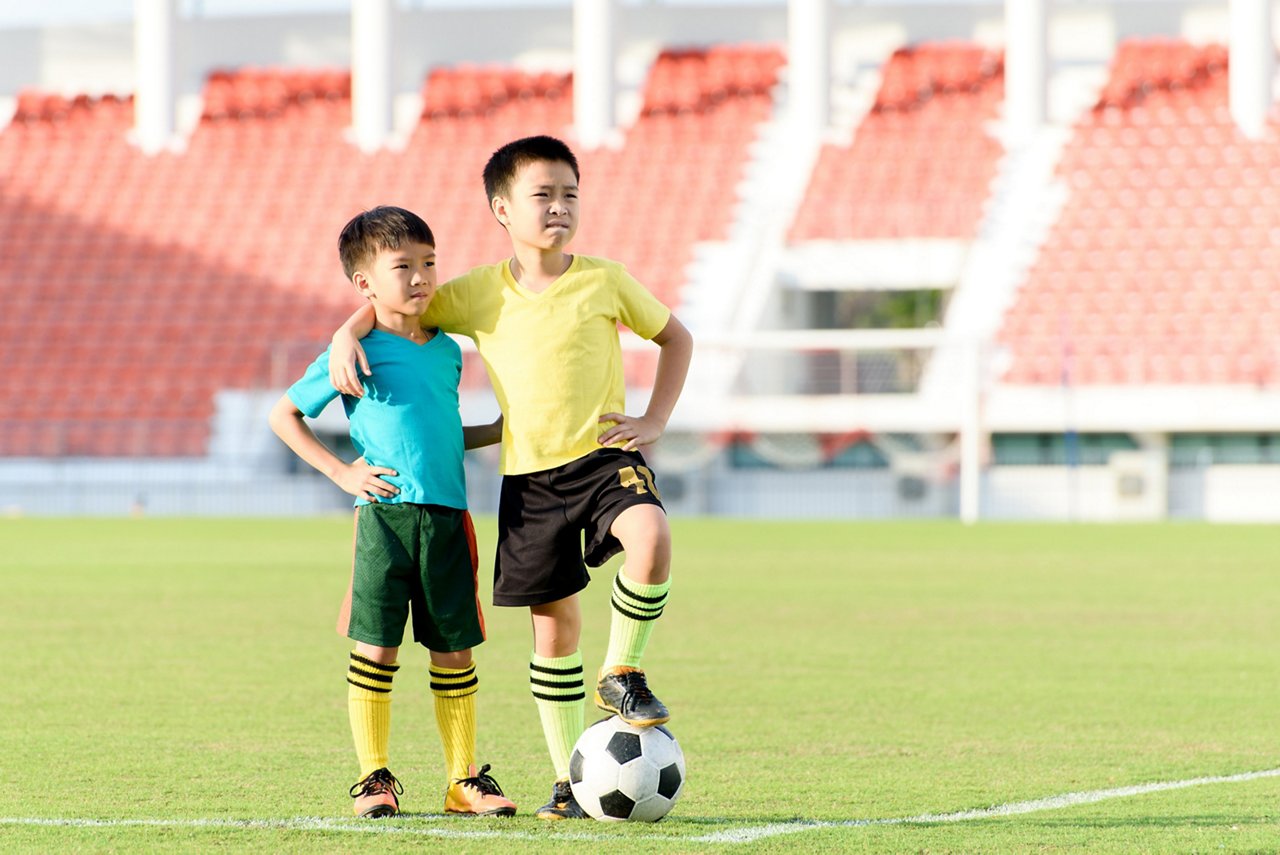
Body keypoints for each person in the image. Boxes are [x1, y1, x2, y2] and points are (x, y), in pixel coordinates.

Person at [327, 136, 694, 821]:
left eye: (570, 194)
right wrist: (347, 331)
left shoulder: (605, 279)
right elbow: (396, 307)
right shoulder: (473, 293)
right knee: (553, 627)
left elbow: (677, 337)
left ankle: (622, 670)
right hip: (528, 479)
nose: (559, 207)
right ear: (502, 209)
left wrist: (655, 418)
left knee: (651, 535)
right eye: (542, 195)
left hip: (604, 456)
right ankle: (570, 780)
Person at [269, 206, 517, 819]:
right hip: (383, 518)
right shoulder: (354, 349)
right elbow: (284, 416)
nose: (420, 277)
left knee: (455, 650)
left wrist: (502, 432)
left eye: (429, 263)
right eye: (401, 266)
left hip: (449, 518)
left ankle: (464, 781)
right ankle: (373, 778)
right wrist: (341, 472)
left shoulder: (449, 351)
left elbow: (440, 431)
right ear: (365, 283)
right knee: (376, 649)